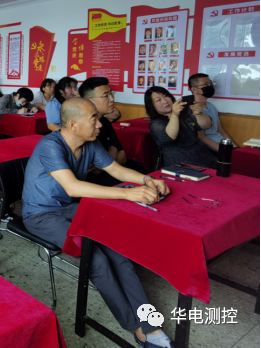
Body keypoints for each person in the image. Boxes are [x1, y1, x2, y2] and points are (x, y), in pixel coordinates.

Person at [22, 98, 174, 348]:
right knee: (97, 261)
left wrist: (146, 180)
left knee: (119, 253)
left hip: (71, 209)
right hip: (40, 215)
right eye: (93, 119)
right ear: (73, 124)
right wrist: (127, 194)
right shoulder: (50, 145)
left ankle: (150, 324)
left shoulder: (90, 143)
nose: (100, 124)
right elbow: (73, 187)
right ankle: (135, 326)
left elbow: (117, 170)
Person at [79, 77, 145, 186]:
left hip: (112, 172)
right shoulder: (81, 126)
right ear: (89, 100)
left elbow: (122, 156)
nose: (112, 99)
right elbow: (91, 169)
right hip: (91, 182)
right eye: (106, 96)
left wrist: (105, 165)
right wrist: (110, 156)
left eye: (111, 94)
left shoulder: (105, 122)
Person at [145, 87, 216, 169]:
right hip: (180, 164)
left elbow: (207, 125)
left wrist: (199, 114)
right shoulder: (155, 124)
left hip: (204, 157)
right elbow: (170, 137)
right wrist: (174, 115)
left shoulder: (185, 112)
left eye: (166, 96)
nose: (165, 101)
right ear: (152, 106)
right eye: (158, 100)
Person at [187, 73, 237, 151]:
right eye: (205, 84)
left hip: (222, 144)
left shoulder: (211, 106)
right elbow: (201, 138)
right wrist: (224, 152)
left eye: (210, 83)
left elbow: (221, 131)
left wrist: (235, 148)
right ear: (194, 89)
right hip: (209, 148)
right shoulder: (191, 109)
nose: (210, 86)